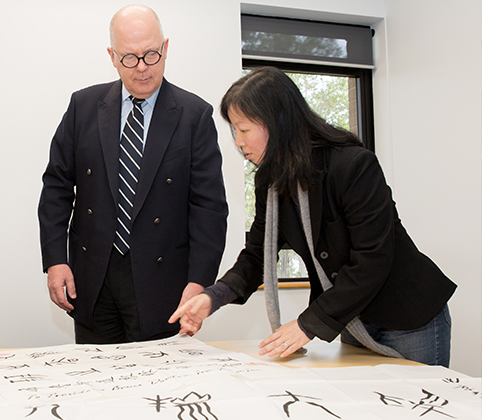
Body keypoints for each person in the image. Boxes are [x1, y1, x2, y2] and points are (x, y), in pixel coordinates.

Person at [169, 67, 456, 367]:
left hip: (407, 317)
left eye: (244, 129)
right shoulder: (271, 183)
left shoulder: (353, 166)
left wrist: (307, 324)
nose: (238, 142)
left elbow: (373, 259)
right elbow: (257, 257)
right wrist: (212, 297)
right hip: (352, 320)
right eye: (235, 131)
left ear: (277, 123)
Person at [38, 5, 228, 344]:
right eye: (129, 58)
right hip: (92, 277)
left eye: (151, 55)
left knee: (158, 388)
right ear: (112, 56)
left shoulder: (194, 115)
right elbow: (56, 186)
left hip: (163, 283)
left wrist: (199, 283)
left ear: (166, 48)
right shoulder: (84, 107)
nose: (142, 69)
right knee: (96, 382)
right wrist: (55, 261)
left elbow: (208, 208)